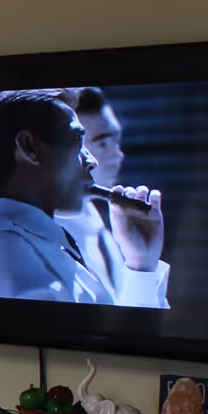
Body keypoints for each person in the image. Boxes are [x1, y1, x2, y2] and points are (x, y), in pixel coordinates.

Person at [0, 89, 163, 304]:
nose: (92, 161)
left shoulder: (38, 243)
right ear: (29, 148)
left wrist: (142, 263)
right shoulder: (8, 254)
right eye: (76, 140)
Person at [55, 87, 169, 308]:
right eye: (101, 141)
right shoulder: (41, 243)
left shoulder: (103, 229)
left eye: (116, 139)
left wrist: (142, 264)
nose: (118, 154)